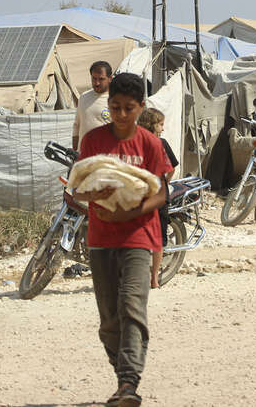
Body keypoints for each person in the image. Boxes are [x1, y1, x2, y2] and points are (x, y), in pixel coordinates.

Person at [72, 72, 171, 407]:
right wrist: (90, 195)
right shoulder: (93, 141)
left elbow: (162, 192)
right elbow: (76, 189)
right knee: (109, 321)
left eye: (129, 108)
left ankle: (129, 382)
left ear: (141, 107)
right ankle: (123, 379)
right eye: (115, 107)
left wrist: (130, 213)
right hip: (101, 238)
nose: (122, 114)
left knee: (131, 306)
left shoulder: (150, 144)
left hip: (139, 236)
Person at [136, 107, 178, 289]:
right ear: (151, 125)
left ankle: (147, 277)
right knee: (157, 239)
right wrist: (165, 182)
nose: (163, 128)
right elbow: (171, 169)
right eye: (160, 124)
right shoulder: (161, 144)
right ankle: (153, 279)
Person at [73, 60, 113, 151]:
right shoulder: (83, 97)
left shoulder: (116, 101)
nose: (97, 83)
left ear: (110, 78)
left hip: (105, 155)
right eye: (94, 79)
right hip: (84, 155)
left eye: (101, 79)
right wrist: (75, 151)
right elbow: (77, 125)